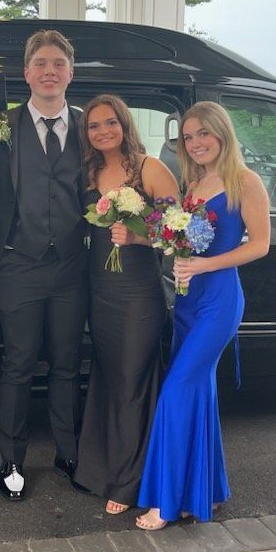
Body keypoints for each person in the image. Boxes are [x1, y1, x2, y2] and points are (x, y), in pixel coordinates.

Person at [136, 101, 270, 530]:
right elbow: (181, 241)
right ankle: (199, 493)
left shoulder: (245, 182)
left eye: (203, 134)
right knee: (198, 395)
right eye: (188, 137)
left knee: (177, 390)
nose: (195, 143)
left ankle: (166, 502)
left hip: (218, 302)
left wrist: (204, 265)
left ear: (222, 134)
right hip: (187, 301)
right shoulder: (193, 184)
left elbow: (260, 245)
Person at [0, 29, 89, 501]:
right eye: (41, 63)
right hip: (17, 265)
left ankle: (69, 452)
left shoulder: (89, 126)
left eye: (58, 64)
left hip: (72, 266)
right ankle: (12, 459)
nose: (49, 72)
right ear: (26, 73)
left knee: (67, 363)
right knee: (18, 363)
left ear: (70, 72)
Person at [73, 94, 180, 515]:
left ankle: (130, 481)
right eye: (94, 126)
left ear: (124, 124)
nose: (103, 131)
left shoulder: (149, 168)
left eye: (110, 123)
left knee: (133, 379)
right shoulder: (90, 171)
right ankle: (99, 471)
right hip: (100, 290)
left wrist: (138, 237)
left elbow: (177, 232)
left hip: (138, 294)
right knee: (108, 377)